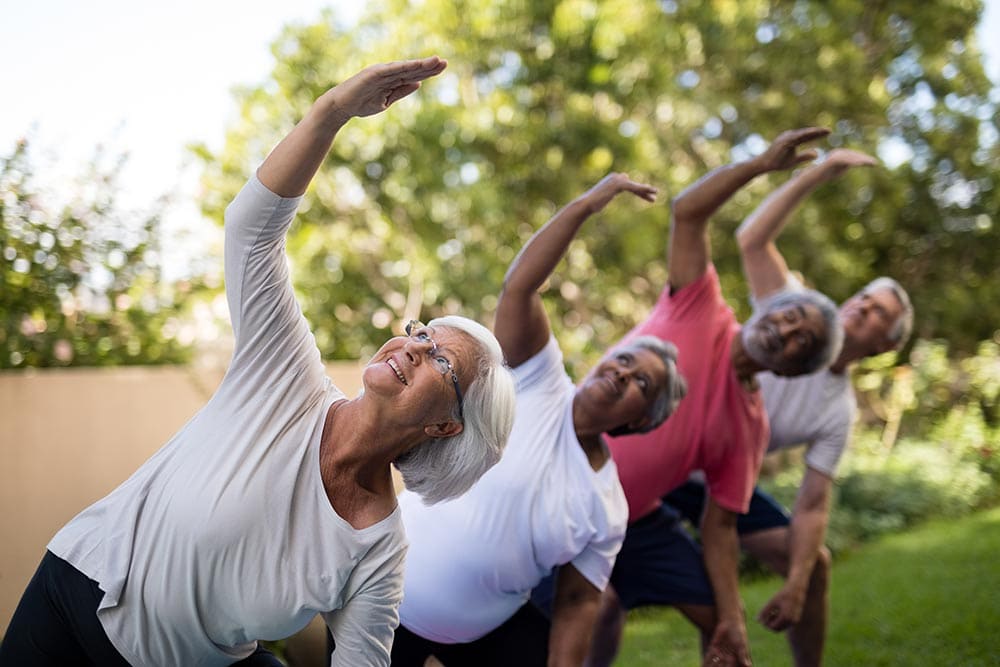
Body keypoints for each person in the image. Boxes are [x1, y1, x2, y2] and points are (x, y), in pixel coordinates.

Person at [0, 57, 517, 667]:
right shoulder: (288, 376)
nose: (414, 345)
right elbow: (250, 232)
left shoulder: (378, 548)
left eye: (441, 360)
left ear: (445, 425)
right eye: (421, 332)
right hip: (73, 598)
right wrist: (332, 113)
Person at [389, 174, 688, 666]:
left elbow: (577, 602)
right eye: (626, 360)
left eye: (643, 383)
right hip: (388, 596)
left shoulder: (607, 506)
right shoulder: (539, 379)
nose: (623, 371)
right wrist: (587, 204)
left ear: (640, 421)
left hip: (484, 630)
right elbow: (521, 285)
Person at [584, 128, 845, 667]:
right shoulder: (700, 304)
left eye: (801, 344)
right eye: (789, 317)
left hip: (633, 517)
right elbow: (688, 212)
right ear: (769, 307)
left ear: (792, 371)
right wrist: (760, 165)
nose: (786, 333)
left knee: (719, 623)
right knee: (589, 610)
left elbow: (720, 527)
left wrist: (733, 616)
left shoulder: (750, 427)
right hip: (564, 488)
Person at [661, 146, 913, 667]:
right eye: (863, 297)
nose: (860, 306)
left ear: (885, 344)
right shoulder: (795, 312)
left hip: (723, 485)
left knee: (814, 564)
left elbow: (813, 504)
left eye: (875, 313)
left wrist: (796, 584)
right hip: (663, 457)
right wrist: (818, 173)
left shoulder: (836, 411)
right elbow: (752, 237)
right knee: (616, 594)